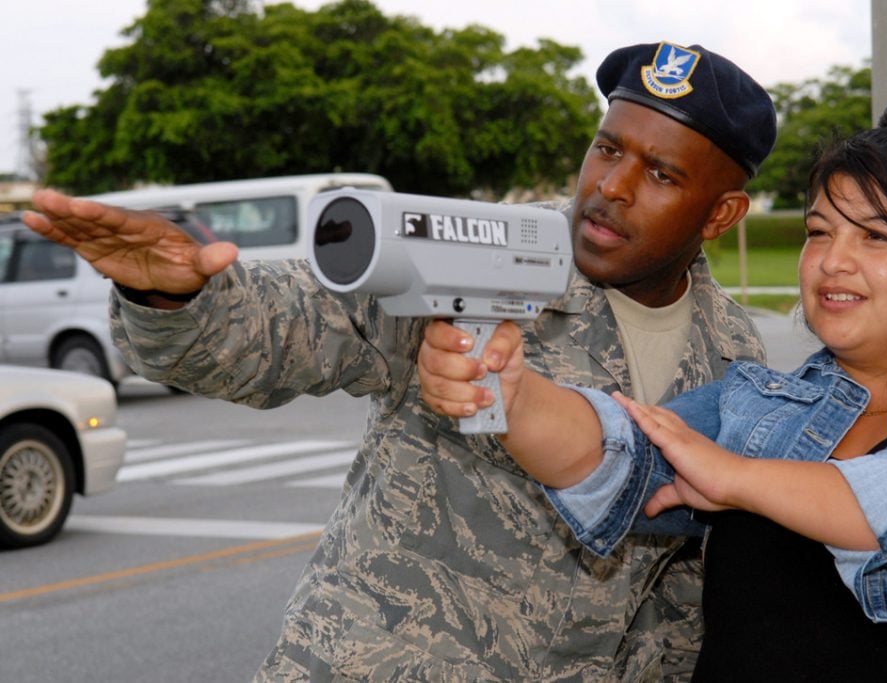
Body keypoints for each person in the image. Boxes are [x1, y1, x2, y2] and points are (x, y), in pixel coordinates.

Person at [23, 42, 776, 680]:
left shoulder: (740, 360)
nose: (611, 186)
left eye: (661, 173)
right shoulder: (482, 252)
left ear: (721, 214)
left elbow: (697, 591)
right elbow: (286, 324)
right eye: (607, 147)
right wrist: (175, 298)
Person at [418, 94, 887, 681]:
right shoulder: (756, 402)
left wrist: (735, 477)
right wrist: (508, 391)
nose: (833, 261)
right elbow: (615, 449)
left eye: (876, 236)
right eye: (819, 232)